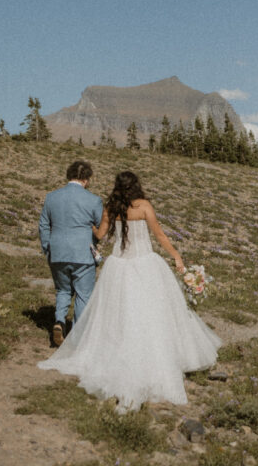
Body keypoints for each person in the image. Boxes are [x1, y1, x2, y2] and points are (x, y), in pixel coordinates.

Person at [38, 169, 222, 411]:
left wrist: (85, 225)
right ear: (135, 185)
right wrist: (176, 256)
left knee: (120, 314)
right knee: (152, 312)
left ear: (117, 187)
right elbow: (159, 235)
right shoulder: (144, 206)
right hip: (145, 263)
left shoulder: (111, 208)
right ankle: (156, 356)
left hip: (119, 266)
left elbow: (100, 234)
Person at [38, 160, 106, 347]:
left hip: (57, 251)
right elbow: (101, 226)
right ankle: (77, 338)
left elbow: (44, 225)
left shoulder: (52, 197)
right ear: (86, 179)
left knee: (63, 290)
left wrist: (48, 247)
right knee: (83, 294)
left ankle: (59, 321)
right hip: (83, 253)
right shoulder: (93, 200)